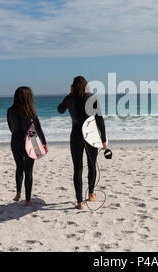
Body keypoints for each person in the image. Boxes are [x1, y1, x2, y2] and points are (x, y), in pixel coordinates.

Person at [57, 76, 107, 210]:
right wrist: (104, 140)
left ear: (73, 86)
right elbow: (100, 120)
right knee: (92, 165)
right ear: (86, 86)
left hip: (76, 136)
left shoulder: (69, 98)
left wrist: (69, 94)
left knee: (77, 168)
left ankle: (79, 202)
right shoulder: (92, 97)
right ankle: (91, 194)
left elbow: (60, 110)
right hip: (91, 135)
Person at [7, 86, 48, 207]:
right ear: (29, 97)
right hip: (31, 139)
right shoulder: (31, 111)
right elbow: (38, 128)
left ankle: (18, 193)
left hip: (15, 139)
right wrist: (44, 143)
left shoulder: (10, 110)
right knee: (28, 170)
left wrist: (17, 135)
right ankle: (28, 200)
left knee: (19, 167)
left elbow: (10, 127)